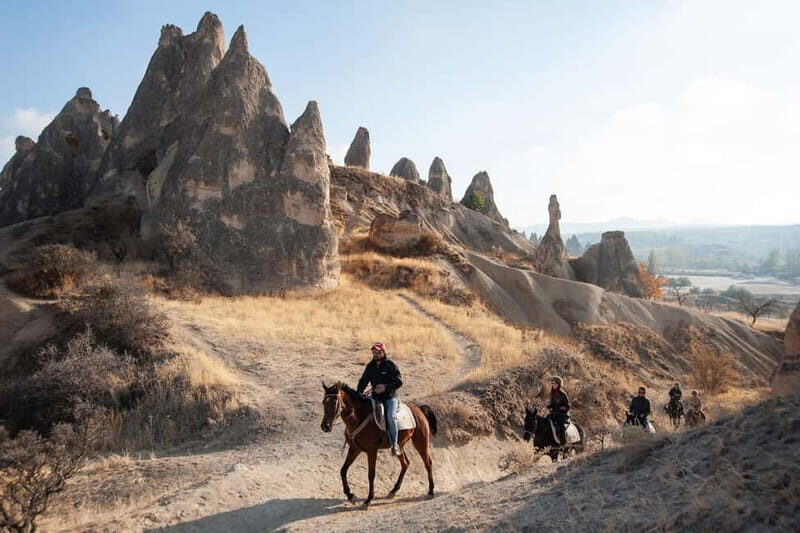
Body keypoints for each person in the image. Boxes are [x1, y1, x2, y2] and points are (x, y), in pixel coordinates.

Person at [357, 342, 403, 456]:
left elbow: (399, 382)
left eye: (378, 352)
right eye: (374, 352)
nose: (375, 354)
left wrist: (385, 387)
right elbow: (363, 381)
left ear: (383, 352)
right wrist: (359, 393)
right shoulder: (370, 366)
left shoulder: (391, 365)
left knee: (391, 417)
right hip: (375, 397)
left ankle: (395, 444)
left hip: (390, 397)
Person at [546, 376, 570, 444]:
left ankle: (563, 443)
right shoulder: (552, 393)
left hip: (562, 415)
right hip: (553, 414)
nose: (553, 384)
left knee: (561, 427)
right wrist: (550, 406)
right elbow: (553, 404)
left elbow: (568, 406)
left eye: (554, 383)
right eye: (552, 383)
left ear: (558, 384)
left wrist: (560, 408)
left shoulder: (563, 394)